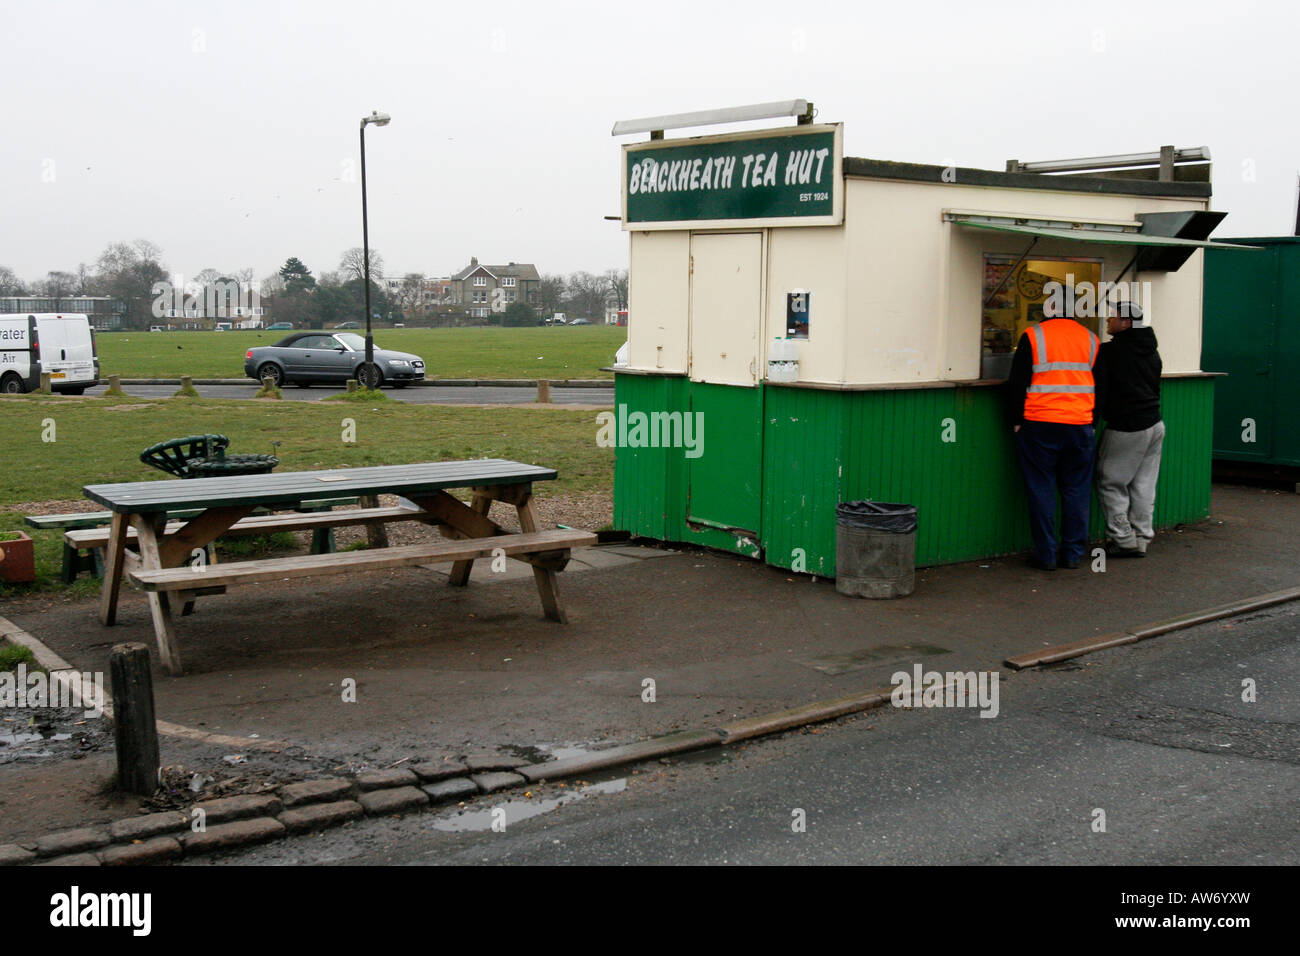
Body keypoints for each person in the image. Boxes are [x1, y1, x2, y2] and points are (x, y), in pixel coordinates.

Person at [1005, 297, 1100, 571]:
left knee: (1041, 489)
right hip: (1080, 424)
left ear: (1048, 310)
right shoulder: (1091, 339)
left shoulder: (1033, 336)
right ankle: (1072, 554)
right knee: (1076, 490)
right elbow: (1101, 384)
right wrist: (1092, 420)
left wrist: (1016, 420)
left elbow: (1017, 382)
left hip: (1040, 423)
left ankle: (1046, 555)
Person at [1093, 300, 1163, 558]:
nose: (1108, 321)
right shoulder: (1151, 351)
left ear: (1126, 323)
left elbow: (1100, 391)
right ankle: (1142, 537)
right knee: (1144, 484)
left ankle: (1123, 540)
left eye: (1113, 317)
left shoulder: (1111, 353)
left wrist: (1092, 422)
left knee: (1110, 481)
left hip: (1126, 426)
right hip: (1154, 423)